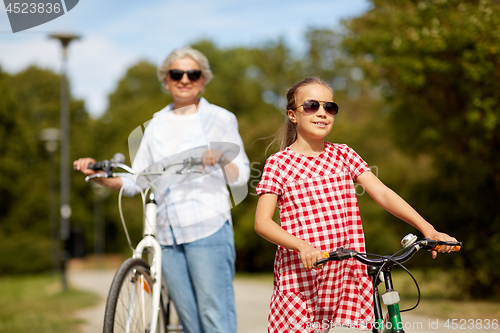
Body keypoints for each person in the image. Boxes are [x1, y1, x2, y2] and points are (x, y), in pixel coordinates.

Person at [254, 77, 457, 332]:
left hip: (341, 272)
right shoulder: (279, 163)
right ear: (293, 115)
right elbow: (262, 223)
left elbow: (382, 194)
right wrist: (301, 246)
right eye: (311, 106)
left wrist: (428, 230)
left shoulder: (343, 154)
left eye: (329, 107)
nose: (322, 113)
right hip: (300, 277)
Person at [74, 46, 250, 333]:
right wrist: (97, 174)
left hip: (208, 228)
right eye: (176, 73)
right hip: (167, 234)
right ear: (165, 80)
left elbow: (241, 177)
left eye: (192, 74)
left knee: (215, 319)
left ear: (203, 80)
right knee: (191, 324)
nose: (184, 79)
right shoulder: (156, 125)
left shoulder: (221, 119)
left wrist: (221, 157)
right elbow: (137, 181)